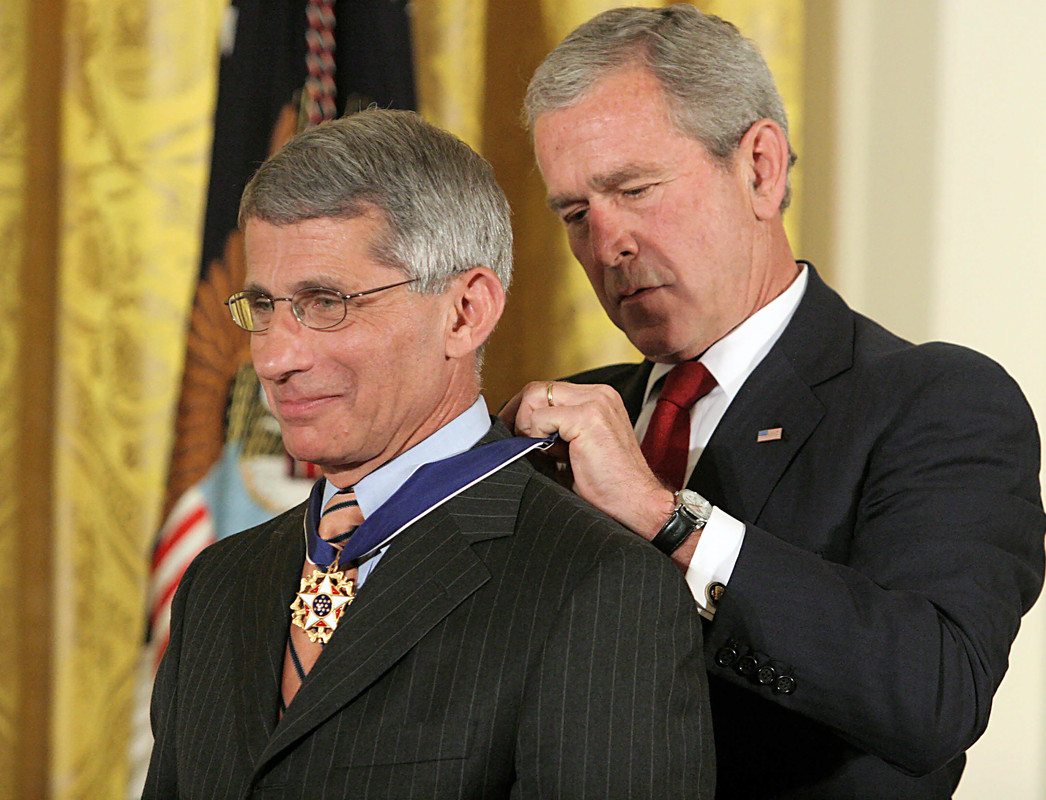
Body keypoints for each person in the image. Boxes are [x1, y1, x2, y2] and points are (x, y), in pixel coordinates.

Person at [501, 6, 1046, 798]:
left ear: (760, 166)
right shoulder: (559, 428)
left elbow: (931, 694)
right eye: (576, 214)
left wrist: (668, 519)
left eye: (636, 189)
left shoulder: (936, 401)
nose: (606, 244)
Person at [143, 108, 714, 799]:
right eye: (264, 306)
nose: (276, 357)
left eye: (325, 302)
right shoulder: (216, 583)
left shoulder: (595, 587)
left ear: (465, 312)